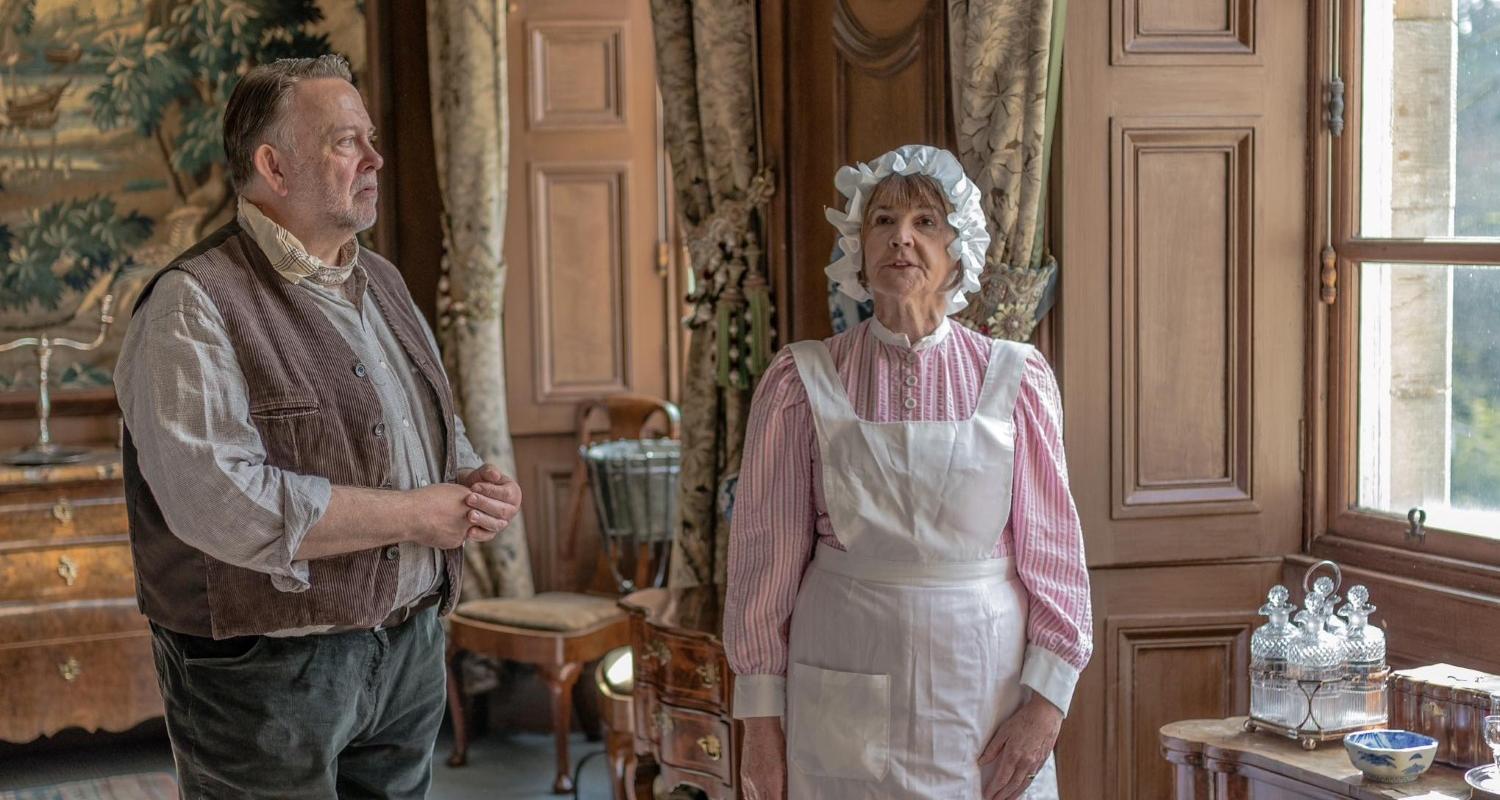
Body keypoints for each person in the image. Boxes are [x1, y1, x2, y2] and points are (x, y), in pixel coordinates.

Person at [115, 55, 521, 799]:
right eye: (345, 142)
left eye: (368, 138)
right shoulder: (191, 302)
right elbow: (220, 504)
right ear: (274, 165)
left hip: (406, 651)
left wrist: (473, 482)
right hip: (264, 674)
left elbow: (438, 435)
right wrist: (418, 515)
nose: (374, 159)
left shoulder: (386, 283)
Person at [724, 144, 1093, 799]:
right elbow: (765, 564)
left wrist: (1047, 706)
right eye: (882, 220)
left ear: (959, 251)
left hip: (986, 697)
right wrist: (759, 724)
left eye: (926, 221)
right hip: (840, 677)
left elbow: (1054, 556)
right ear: (857, 249)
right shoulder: (800, 380)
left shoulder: (1015, 379)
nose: (901, 236)